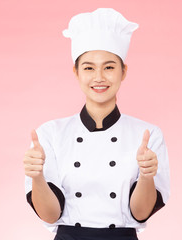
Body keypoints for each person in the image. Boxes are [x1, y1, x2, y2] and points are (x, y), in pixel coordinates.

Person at [23, 8, 170, 240]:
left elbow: (140, 213)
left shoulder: (148, 135)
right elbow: (50, 215)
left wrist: (146, 174)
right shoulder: (50, 134)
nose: (99, 77)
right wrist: (37, 176)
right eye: (89, 67)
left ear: (123, 72)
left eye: (109, 67)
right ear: (76, 72)